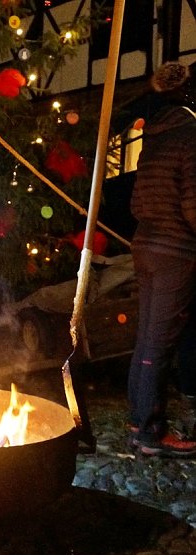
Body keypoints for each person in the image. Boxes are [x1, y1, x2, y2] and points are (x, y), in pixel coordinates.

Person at [127, 61, 196, 457]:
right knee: (160, 343)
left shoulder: (153, 138)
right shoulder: (191, 136)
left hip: (146, 245)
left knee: (146, 338)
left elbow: (138, 200)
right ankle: (151, 435)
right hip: (175, 252)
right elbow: (193, 206)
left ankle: (139, 423)